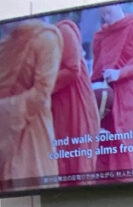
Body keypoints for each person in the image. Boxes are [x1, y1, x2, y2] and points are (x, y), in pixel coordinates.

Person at [90, 4, 133, 174]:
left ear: (118, 5)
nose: (106, 18)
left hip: (127, 95)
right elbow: (96, 68)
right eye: (102, 15)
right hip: (105, 98)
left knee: (126, 148)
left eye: (108, 12)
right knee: (104, 147)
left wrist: (120, 73)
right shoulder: (100, 35)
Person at [0, 19, 61, 190]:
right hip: (3, 132)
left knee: (31, 186)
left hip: (33, 127)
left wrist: (4, 108)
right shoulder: (6, 43)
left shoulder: (46, 38)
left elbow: (41, 92)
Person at [51, 19, 99, 182]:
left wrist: (43, 85)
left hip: (77, 105)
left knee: (79, 165)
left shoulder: (63, 30)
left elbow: (73, 68)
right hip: (60, 110)